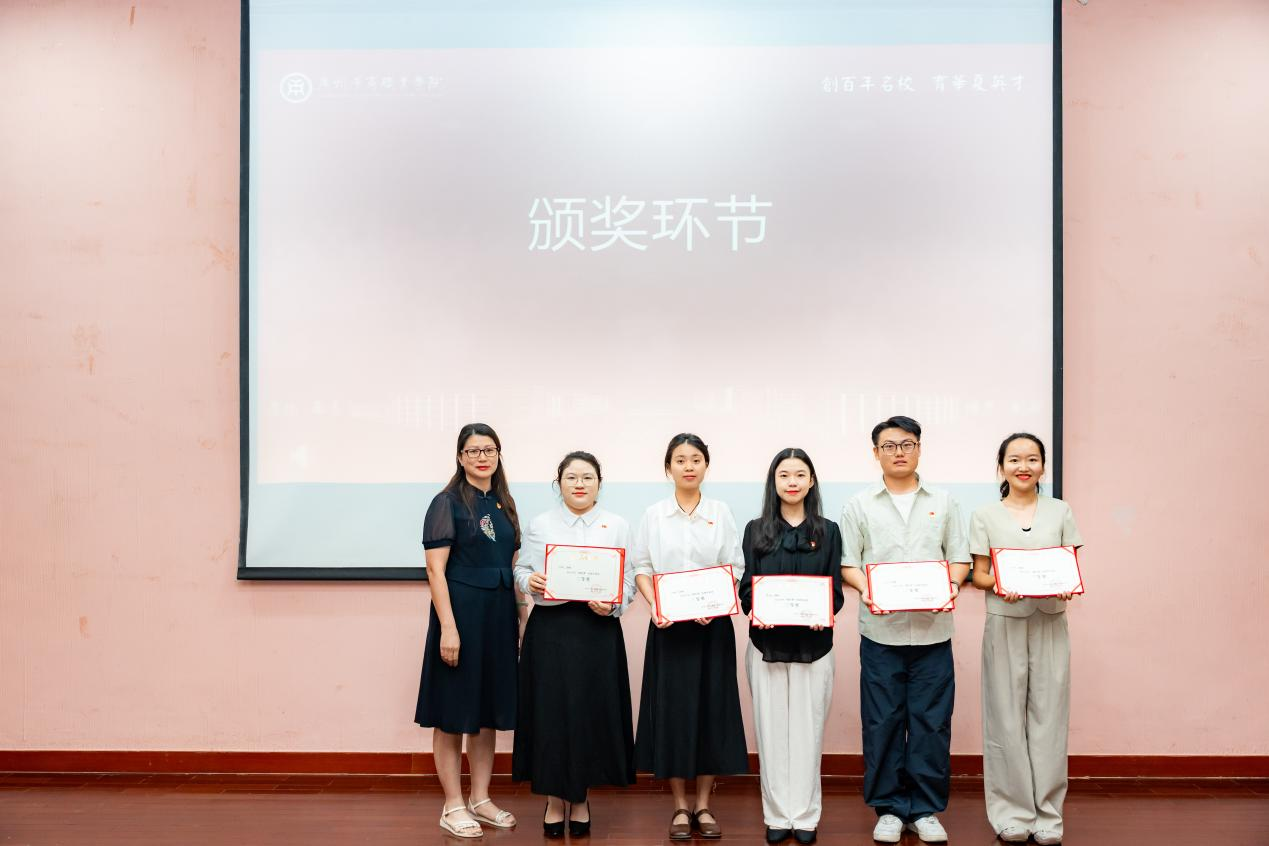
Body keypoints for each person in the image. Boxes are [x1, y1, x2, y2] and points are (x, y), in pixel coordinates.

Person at [839, 416, 970, 844]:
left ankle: (926, 809)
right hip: (881, 632)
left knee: (932, 723)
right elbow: (848, 563)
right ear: (875, 453)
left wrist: (952, 585)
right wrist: (869, 590)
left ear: (919, 448)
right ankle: (890, 809)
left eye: (907, 444)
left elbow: (959, 558)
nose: (899, 452)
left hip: (933, 632)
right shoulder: (859, 505)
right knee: (882, 722)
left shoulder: (945, 502)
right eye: (889, 446)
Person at [512, 450, 637, 838]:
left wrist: (614, 604)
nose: (579, 484)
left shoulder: (617, 525)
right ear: (559, 483)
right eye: (571, 478)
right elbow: (522, 569)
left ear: (599, 483)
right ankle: (554, 799)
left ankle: (580, 798)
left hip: (597, 632)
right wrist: (528, 581)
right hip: (551, 631)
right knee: (551, 715)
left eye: (587, 478)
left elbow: (628, 580)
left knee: (589, 714)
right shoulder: (541, 523)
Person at [632, 433, 749, 840]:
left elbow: (734, 566)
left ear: (705, 466)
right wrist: (657, 605)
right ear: (668, 468)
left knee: (711, 712)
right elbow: (641, 568)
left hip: (711, 628)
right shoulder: (654, 515)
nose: (688, 466)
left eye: (695, 459)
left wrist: (713, 606)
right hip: (668, 629)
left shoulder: (720, 512)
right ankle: (680, 806)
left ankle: (703, 804)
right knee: (673, 714)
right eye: (680, 459)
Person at [969, 433, 1083, 846]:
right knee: (1004, 718)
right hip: (1005, 622)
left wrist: (1067, 585)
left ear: (1043, 467)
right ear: (1001, 467)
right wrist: (1001, 583)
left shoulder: (1060, 510)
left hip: (1050, 622)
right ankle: (1011, 814)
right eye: (1015, 459)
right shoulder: (984, 515)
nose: (1024, 466)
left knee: (1050, 719)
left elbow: (1070, 566)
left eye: (1032, 459)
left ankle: (1048, 815)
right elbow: (978, 575)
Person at [414, 423, 525, 839]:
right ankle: (453, 805)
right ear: (460, 457)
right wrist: (448, 628)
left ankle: (480, 799)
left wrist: (522, 616)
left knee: (487, 713)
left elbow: (510, 567)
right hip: (461, 619)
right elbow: (435, 570)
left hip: (498, 620)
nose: (482, 457)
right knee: (452, 713)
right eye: (473, 450)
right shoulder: (445, 502)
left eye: (489, 449)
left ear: (498, 455)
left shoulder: (504, 502)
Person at [738, 448, 845, 845]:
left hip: (815, 646)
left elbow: (835, 589)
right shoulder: (755, 529)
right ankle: (777, 815)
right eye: (784, 475)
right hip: (766, 644)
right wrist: (757, 608)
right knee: (770, 733)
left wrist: (824, 610)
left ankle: (805, 816)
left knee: (808, 732)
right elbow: (747, 586)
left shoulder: (829, 530)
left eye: (800, 474)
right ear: (774, 482)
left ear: (811, 481)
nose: (793, 482)